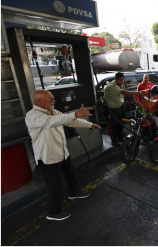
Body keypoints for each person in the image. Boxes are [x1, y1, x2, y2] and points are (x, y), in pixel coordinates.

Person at [25, 90, 102, 221]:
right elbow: (50, 122)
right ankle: (53, 213)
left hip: (62, 153)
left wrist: (89, 124)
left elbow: (71, 121)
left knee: (70, 174)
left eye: (53, 98)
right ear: (39, 101)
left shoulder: (53, 112)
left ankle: (74, 193)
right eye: (50, 99)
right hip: (48, 158)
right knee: (55, 185)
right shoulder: (33, 116)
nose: (54, 101)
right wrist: (76, 113)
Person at [104, 72, 143, 147]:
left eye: (123, 80)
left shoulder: (118, 85)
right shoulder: (111, 86)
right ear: (116, 79)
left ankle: (120, 137)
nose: (122, 82)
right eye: (120, 80)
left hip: (120, 107)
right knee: (113, 126)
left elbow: (121, 94)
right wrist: (136, 93)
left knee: (120, 123)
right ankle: (114, 141)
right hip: (112, 109)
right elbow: (123, 92)